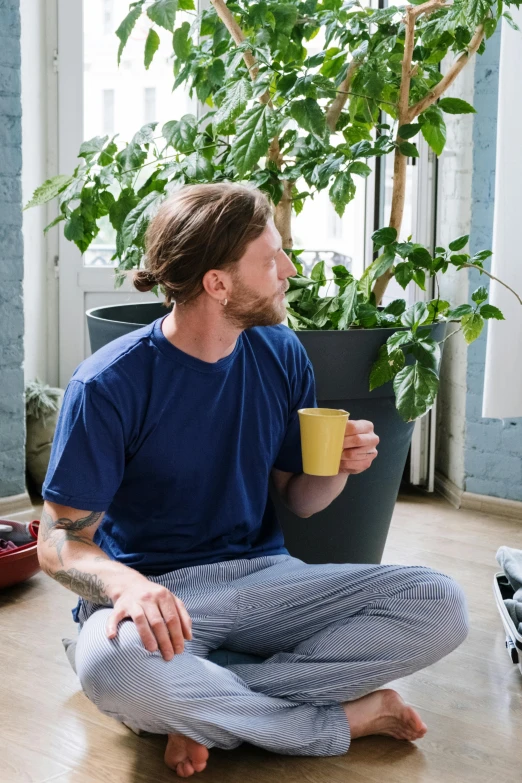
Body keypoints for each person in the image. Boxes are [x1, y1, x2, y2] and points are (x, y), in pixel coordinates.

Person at [37, 183, 469, 778]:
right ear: (217, 283)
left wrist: (336, 468)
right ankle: (335, 720)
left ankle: (192, 708)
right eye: (271, 260)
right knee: (113, 666)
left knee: (440, 603)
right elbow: (57, 544)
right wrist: (127, 588)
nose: (289, 269)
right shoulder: (108, 386)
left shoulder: (279, 351)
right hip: (160, 601)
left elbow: (302, 500)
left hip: (267, 582)